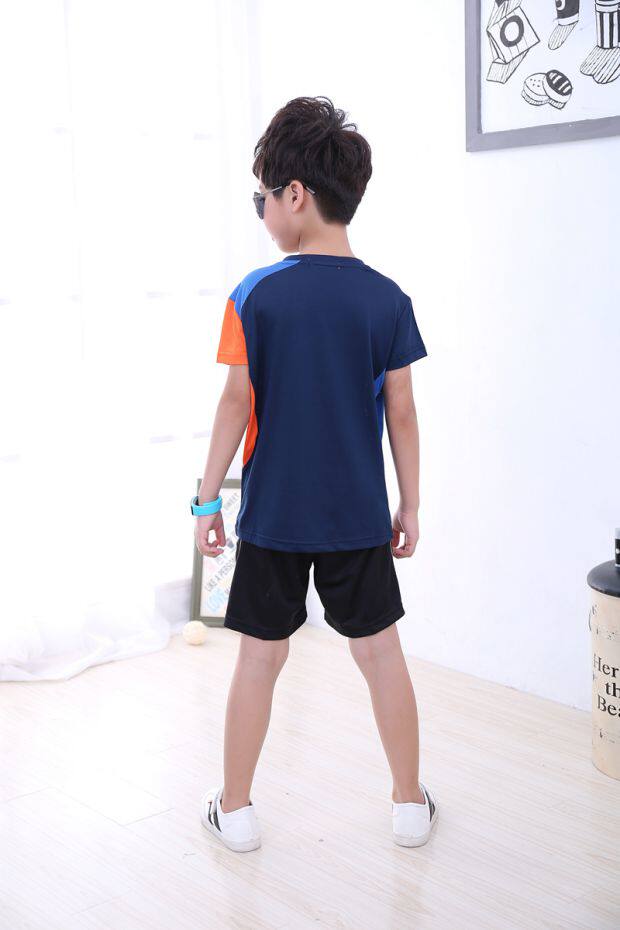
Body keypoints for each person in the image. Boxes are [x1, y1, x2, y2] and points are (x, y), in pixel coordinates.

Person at [193, 96, 438, 853]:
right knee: (381, 653)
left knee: (259, 658)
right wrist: (410, 505)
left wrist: (204, 501)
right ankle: (408, 805)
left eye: (261, 198)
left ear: (294, 194)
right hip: (358, 516)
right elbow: (402, 412)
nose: (263, 212)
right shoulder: (388, 299)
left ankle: (235, 810)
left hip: (273, 517)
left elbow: (236, 403)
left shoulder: (254, 295)